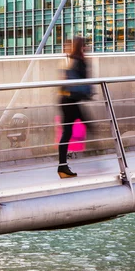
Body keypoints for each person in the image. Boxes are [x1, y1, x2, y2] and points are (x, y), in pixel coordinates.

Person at [57, 36, 92, 178]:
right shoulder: (80, 61)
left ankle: (63, 166)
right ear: (81, 47)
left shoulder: (70, 60)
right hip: (71, 101)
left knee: (68, 132)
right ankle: (96, 161)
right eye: (85, 45)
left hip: (66, 99)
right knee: (88, 126)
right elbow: (85, 81)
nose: (87, 48)